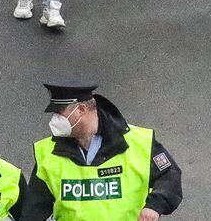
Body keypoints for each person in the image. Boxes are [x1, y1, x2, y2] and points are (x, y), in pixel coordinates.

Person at [24, 81, 182, 221]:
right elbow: (35, 208)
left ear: (81, 109)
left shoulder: (139, 142)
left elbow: (169, 174)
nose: (55, 120)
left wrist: (155, 205)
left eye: (60, 113)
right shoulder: (48, 153)